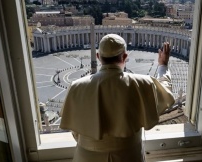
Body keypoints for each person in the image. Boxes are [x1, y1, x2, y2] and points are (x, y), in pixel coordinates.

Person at [60, 34, 175, 162]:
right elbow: (165, 93)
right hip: (128, 156)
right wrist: (163, 65)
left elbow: (75, 130)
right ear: (125, 57)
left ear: (98, 57)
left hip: (86, 156)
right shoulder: (143, 83)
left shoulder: (76, 86)